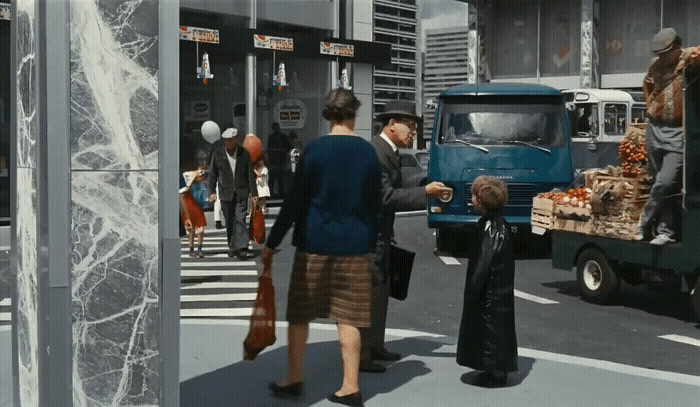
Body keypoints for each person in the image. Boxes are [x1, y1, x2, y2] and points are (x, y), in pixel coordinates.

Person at [263, 88, 382, 407]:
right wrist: (371, 244)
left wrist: (272, 243)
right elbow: (375, 207)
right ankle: (351, 387)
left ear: (328, 115)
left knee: (300, 315)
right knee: (349, 318)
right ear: (354, 114)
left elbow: (295, 204)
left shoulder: (314, 151)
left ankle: (294, 379)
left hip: (314, 246)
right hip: (356, 248)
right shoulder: (368, 153)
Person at [359, 100, 451, 373]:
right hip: (370, 236)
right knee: (371, 295)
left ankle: (375, 346)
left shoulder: (390, 151)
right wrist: (426, 192)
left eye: (414, 126)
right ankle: (363, 354)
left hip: (381, 234)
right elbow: (385, 197)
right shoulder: (377, 153)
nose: (413, 131)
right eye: (410, 125)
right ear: (391, 125)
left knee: (382, 291)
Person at [637, 28, 700, 245]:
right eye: (658, 54)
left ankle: (644, 221)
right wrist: (649, 105)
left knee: (666, 181)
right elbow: (646, 83)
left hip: (677, 131)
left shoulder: (690, 59)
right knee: (661, 184)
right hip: (655, 129)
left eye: (664, 53)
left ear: (676, 48)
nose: (661, 58)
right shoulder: (655, 67)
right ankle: (665, 231)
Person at [456, 176, 517, 387]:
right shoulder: (501, 225)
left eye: (474, 196)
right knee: (499, 329)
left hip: (489, 293)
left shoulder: (489, 228)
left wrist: (472, 290)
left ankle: (495, 371)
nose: (472, 199)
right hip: (499, 291)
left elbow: (483, 263)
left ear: (482, 200)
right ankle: (496, 368)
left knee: (490, 331)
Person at [208, 127, 258, 260]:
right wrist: (212, 192)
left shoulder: (244, 154)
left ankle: (242, 247)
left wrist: (253, 192)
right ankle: (233, 246)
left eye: (231, 140)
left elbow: (250, 174)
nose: (229, 142)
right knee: (229, 221)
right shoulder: (218, 154)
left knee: (240, 218)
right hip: (225, 193)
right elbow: (213, 175)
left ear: (236, 139)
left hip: (241, 191)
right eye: (226, 140)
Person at [180, 169, 207, 257]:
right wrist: (192, 179)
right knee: (191, 230)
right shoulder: (185, 176)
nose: (200, 173)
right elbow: (184, 190)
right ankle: (191, 249)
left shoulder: (200, 181)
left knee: (201, 228)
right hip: (188, 205)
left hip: (197, 205)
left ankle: (199, 248)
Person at [248, 149, 270, 249]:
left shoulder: (264, 169)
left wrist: (255, 171)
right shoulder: (257, 168)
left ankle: (261, 224)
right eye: (259, 161)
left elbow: (261, 178)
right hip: (257, 190)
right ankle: (255, 228)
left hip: (263, 189)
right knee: (255, 208)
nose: (261, 162)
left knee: (262, 207)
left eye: (262, 161)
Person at [267, 122, 291, 197]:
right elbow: (289, 147)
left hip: (273, 163)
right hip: (280, 162)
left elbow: (269, 150)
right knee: (280, 180)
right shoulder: (284, 137)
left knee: (272, 180)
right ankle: (280, 193)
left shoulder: (271, 137)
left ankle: (271, 194)